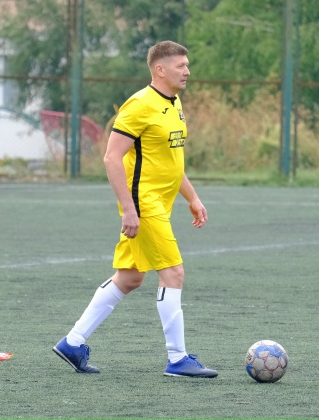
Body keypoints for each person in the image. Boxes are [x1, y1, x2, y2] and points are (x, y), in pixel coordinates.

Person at [53, 40, 218, 378]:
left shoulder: (173, 103)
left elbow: (170, 161)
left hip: (159, 202)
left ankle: (73, 342)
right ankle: (178, 359)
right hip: (143, 203)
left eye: (187, 65)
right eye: (180, 65)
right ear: (160, 70)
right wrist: (129, 210)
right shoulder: (139, 105)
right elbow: (111, 158)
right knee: (173, 273)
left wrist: (192, 197)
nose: (187, 71)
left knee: (129, 278)